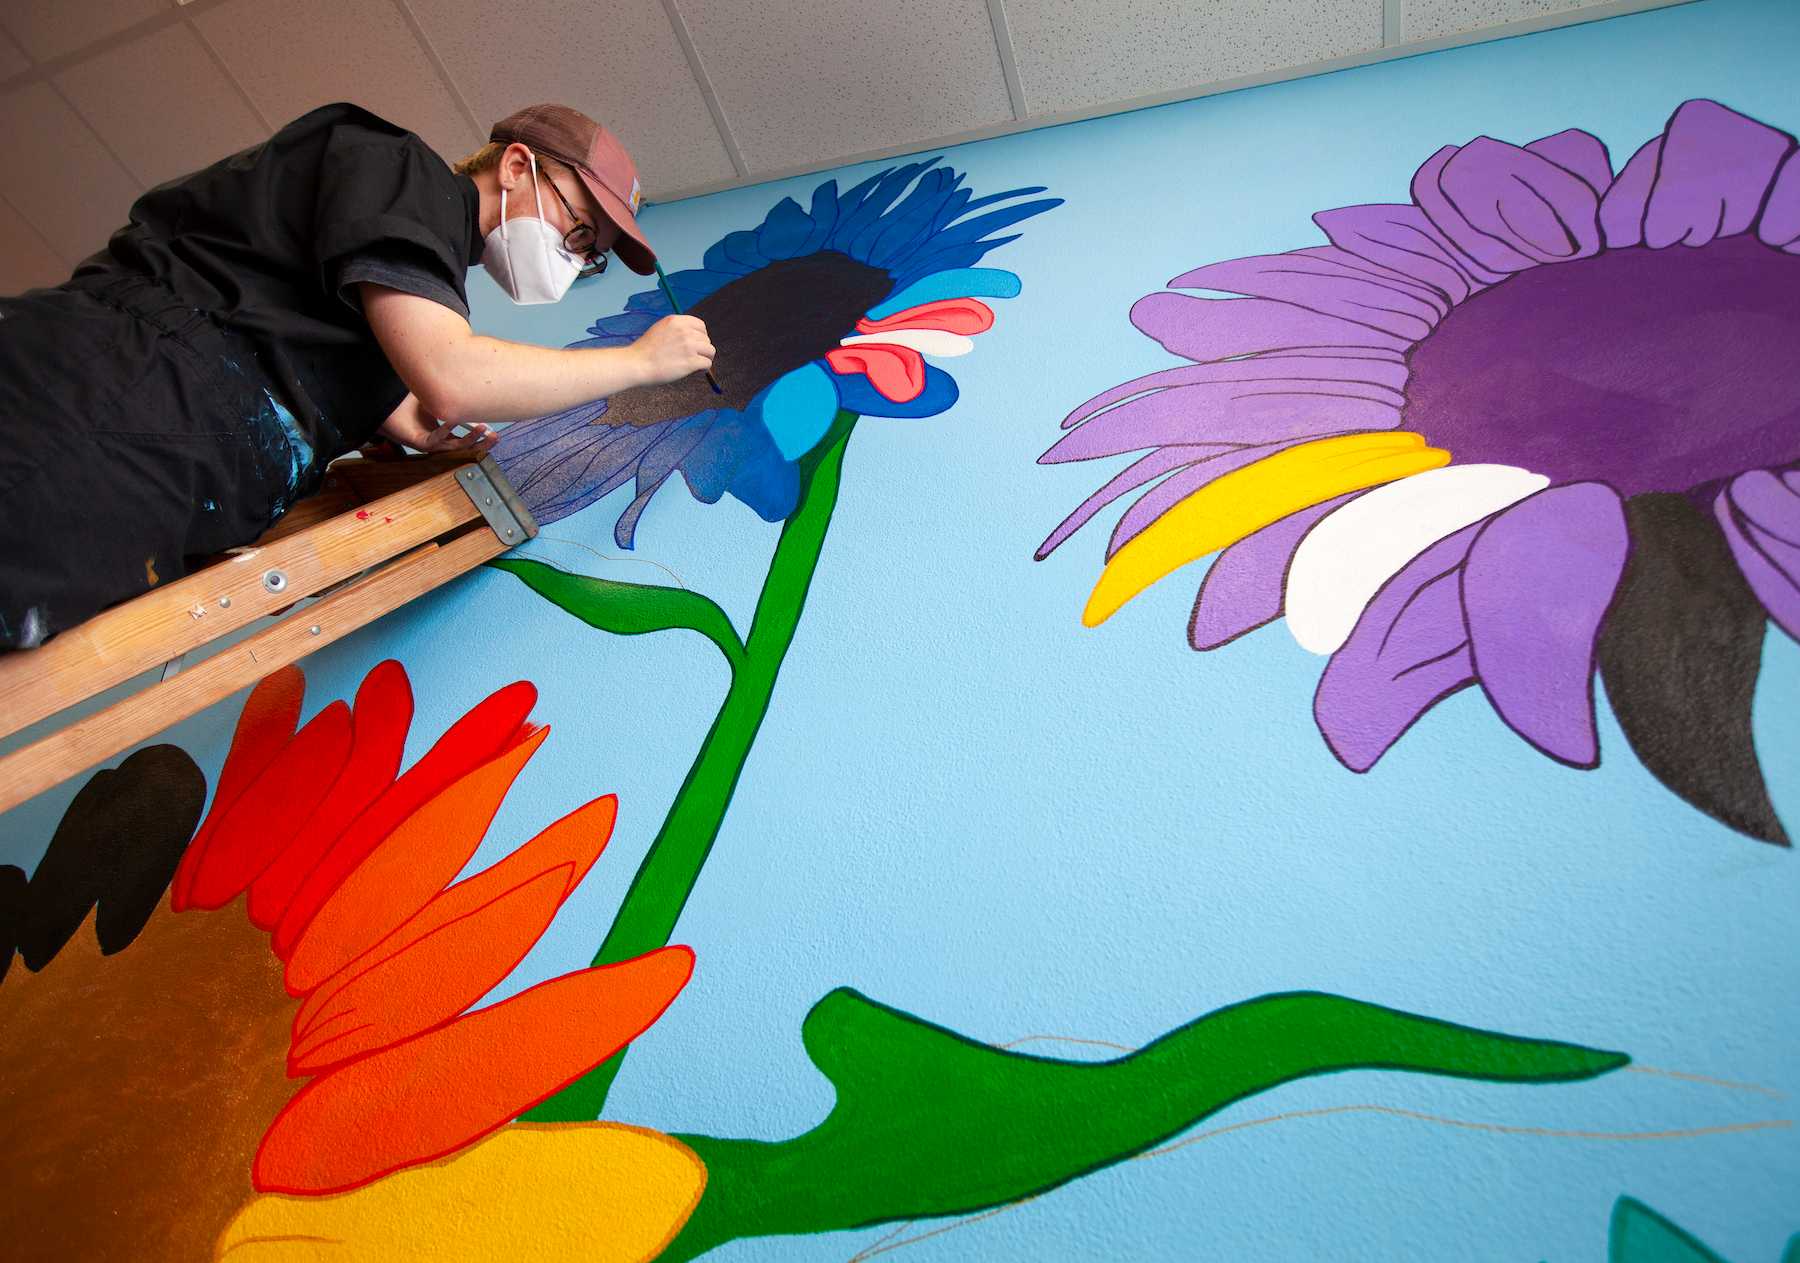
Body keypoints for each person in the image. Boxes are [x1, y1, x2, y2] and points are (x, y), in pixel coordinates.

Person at [0, 101, 713, 650]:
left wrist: (379, 407)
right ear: (518, 166)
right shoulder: (402, 169)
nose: (571, 254)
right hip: (105, 394)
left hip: (155, 458)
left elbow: (323, 340)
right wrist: (638, 362)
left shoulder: (400, 280)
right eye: (580, 228)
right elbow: (452, 374)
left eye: (587, 254)